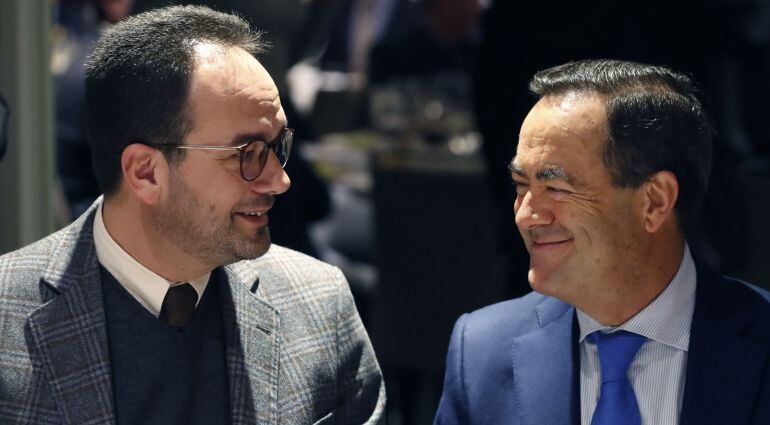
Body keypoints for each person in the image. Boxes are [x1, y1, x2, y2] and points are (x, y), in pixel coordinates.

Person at [0, 5, 384, 424]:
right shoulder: (7, 317)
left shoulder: (320, 303)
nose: (279, 181)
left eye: (278, 147)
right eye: (248, 154)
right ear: (146, 173)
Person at [434, 59, 770, 425]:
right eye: (521, 185)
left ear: (655, 201)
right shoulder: (482, 352)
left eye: (556, 189)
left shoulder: (758, 342)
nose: (526, 215)